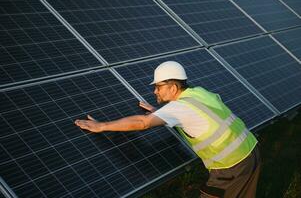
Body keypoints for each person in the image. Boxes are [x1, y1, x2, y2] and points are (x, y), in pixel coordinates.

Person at [75, 61, 261, 198]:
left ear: (173, 87)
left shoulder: (179, 109)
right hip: (251, 150)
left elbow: (143, 123)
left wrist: (103, 126)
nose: (155, 91)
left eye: (158, 87)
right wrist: (161, 113)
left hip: (230, 166)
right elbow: (199, 114)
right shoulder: (199, 92)